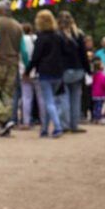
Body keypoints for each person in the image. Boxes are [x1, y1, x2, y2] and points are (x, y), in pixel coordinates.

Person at [0, 0, 23, 137]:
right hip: (13, 64)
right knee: (8, 94)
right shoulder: (18, 25)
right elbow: (23, 49)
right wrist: (26, 64)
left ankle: (4, 118)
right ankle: (5, 125)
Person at [26, 10, 65, 138]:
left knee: (48, 102)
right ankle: (44, 129)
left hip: (45, 73)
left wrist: (27, 71)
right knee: (51, 101)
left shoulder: (41, 38)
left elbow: (35, 57)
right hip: (58, 73)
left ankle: (58, 127)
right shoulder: (59, 37)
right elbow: (65, 53)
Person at [57, 11, 90, 133]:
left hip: (63, 70)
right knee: (76, 99)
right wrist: (88, 70)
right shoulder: (78, 35)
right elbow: (83, 55)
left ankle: (64, 125)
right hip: (78, 70)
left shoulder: (57, 35)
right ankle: (74, 125)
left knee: (64, 98)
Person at [16, 23, 40, 129]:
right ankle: (44, 120)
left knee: (26, 98)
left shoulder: (20, 40)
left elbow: (23, 54)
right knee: (41, 98)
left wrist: (26, 69)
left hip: (23, 70)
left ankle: (26, 121)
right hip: (37, 71)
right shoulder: (36, 38)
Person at [90, 57, 105, 124]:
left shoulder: (93, 75)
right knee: (99, 106)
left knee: (95, 106)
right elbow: (104, 84)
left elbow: (92, 83)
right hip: (100, 93)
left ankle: (94, 117)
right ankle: (98, 118)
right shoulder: (102, 75)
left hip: (94, 93)